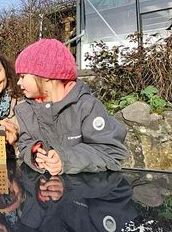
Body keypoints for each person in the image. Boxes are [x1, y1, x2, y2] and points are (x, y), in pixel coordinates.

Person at [14, 39, 129, 175]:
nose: (18, 82)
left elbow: (110, 151)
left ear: (45, 75)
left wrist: (65, 159)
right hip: (41, 189)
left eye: (22, 76)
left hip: (85, 191)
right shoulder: (25, 110)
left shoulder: (87, 106)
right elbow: (25, 142)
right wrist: (33, 152)